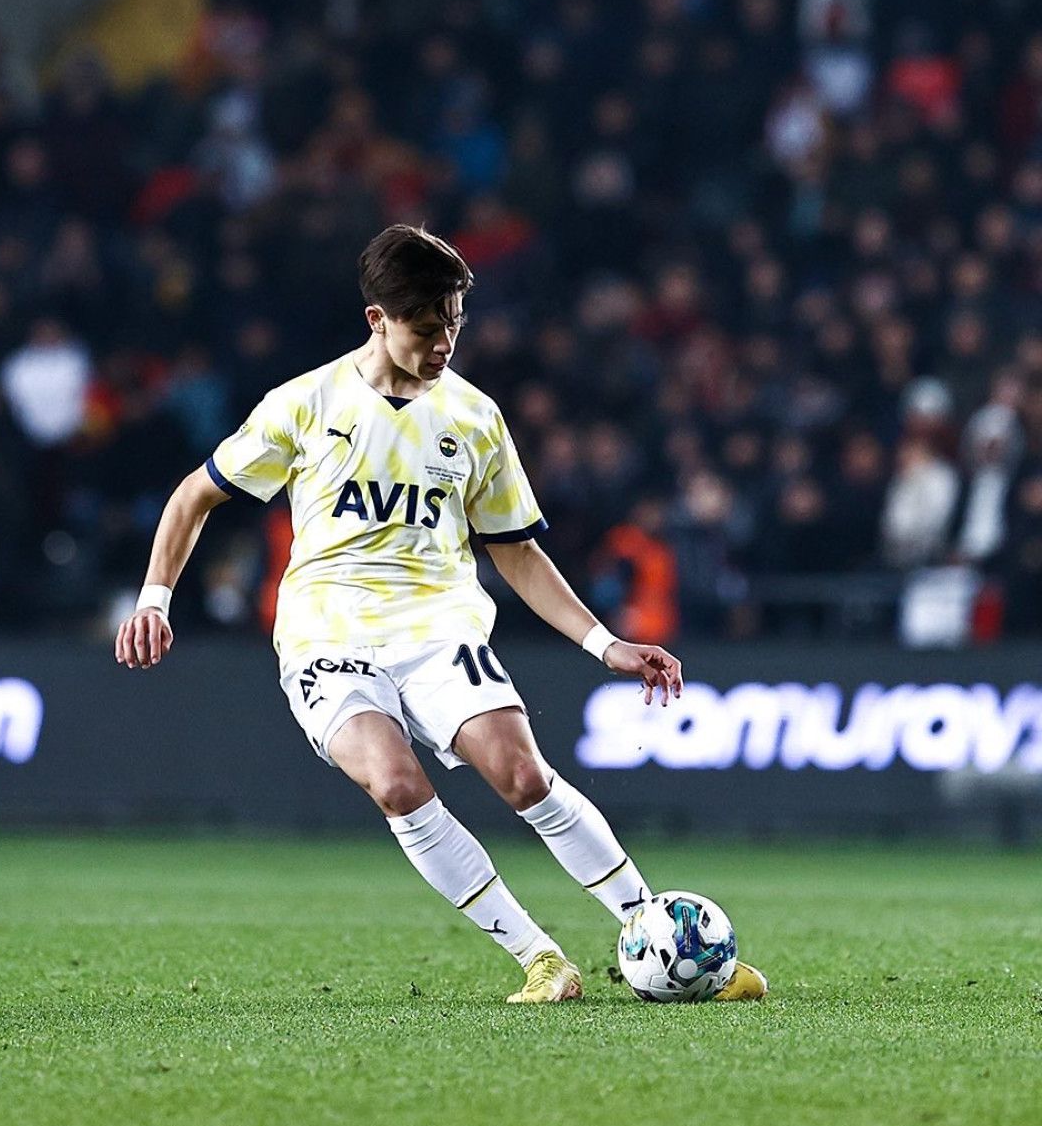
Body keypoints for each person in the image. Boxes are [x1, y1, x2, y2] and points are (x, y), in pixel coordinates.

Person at [114, 225, 768, 1004]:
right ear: (377, 319)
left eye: (454, 323)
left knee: (523, 775)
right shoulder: (305, 404)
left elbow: (516, 551)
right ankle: (540, 959)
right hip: (327, 636)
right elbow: (193, 496)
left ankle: (657, 935)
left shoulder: (474, 417)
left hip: (439, 629)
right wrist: (155, 598)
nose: (444, 343)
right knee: (396, 784)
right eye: (427, 328)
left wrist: (604, 644)